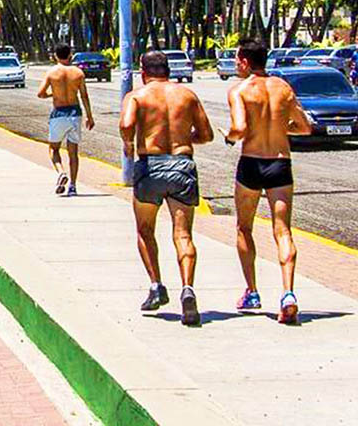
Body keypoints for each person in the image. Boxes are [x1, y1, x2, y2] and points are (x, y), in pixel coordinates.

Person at [120, 50, 214, 326]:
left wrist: (128, 144)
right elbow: (206, 134)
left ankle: (156, 285)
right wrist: (184, 138)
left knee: (145, 229)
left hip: (151, 166)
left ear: (143, 70)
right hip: (182, 165)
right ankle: (188, 288)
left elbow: (126, 123)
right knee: (183, 233)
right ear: (169, 70)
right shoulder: (186, 95)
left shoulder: (137, 96)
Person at [226, 38, 311, 325]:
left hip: (251, 162)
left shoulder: (240, 90)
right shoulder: (283, 88)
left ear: (246, 62)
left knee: (244, 227)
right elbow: (304, 126)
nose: (236, 64)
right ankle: (288, 293)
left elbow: (239, 128)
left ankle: (252, 291)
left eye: (238, 60)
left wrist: (230, 137)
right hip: (279, 162)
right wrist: (280, 127)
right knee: (283, 230)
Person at [36, 44, 95, 197]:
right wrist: (90, 116)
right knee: (73, 152)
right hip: (75, 113)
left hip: (59, 113)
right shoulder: (78, 73)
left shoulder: (51, 73)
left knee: (53, 148)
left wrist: (53, 94)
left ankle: (61, 172)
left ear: (55, 56)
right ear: (70, 55)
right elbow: (84, 96)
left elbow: (40, 93)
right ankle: (73, 186)